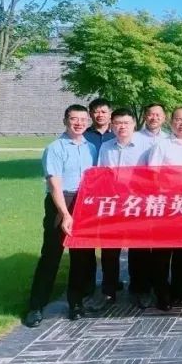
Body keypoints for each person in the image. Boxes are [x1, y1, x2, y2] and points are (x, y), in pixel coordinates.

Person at [23, 105, 99, 327]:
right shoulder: (55, 148)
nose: (79, 123)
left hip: (84, 202)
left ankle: (75, 303)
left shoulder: (91, 148)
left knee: (81, 256)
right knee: (52, 254)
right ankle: (36, 307)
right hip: (61, 201)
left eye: (83, 119)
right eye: (74, 119)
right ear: (65, 121)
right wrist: (65, 214)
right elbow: (54, 184)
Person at [147, 107, 182, 307]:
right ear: (171, 122)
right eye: (178, 120)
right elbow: (152, 174)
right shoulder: (161, 145)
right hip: (166, 206)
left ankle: (179, 287)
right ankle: (162, 292)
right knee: (162, 253)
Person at [91, 108, 149, 305]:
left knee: (139, 250)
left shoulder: (145, 147)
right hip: (112, 204)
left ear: (134, 124)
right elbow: (100, 174)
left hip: (136, 204)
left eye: (126, 123)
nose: (122, 127)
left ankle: (139, 289)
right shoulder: (106, 147)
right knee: (109, 250)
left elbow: (151, 176)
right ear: (112, 125)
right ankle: (109, 290)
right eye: (117, 123)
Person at [128, 103, 170, 308]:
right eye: (150, 114)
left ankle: (161, 286)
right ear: (145, 116)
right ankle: (140, 288)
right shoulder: (134, 138)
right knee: (140, 246)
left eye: (158, 114)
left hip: (163, 200)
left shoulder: (169, 139)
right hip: (138, 198)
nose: (154, 117)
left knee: (162, 246)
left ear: (164, 117)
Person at [82, 98, 118, 301]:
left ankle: (110, 284)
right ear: (91, 114)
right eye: (96, 111)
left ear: (110, 113)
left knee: (111, 244)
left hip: (112, 196)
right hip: (88, 196)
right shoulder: (83, 136)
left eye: (104, 111)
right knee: (87, 242)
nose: (100, 115)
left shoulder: (117, 135)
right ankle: (87, 284)